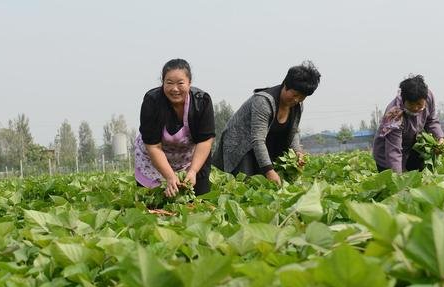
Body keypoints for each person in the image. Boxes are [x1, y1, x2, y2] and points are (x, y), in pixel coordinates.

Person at [212, 61, 321, 186]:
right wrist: (269, 170)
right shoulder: (264, 102)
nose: (297, 100)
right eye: (295, 94)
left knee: (271, 186)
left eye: (302, 97)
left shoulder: (297, 106)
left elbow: (293, 131)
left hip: (265, 147)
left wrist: (298, 152)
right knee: (247, 185)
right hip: (242, 146)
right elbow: (257, 139)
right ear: (286, 85)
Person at [134, 58, 215, 197]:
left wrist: (193, 171)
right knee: (153, 204)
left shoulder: (202, 101)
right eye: (169, 83)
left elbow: (205, 140)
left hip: (190, 159)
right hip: (153, 160)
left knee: (197, 201)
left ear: (189, 83)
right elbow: (153, 146)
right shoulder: (152, 101)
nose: (174, 89)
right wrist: (170, 176)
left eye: (180, 83)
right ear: (162, 83)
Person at [373, 74, 444, 173]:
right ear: (404, 100)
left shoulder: (428, 97)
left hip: (409, 149)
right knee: (394, 184)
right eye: (411, 104)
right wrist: (399, 178)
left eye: (419, 104)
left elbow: (431, 120)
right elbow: (393, 151)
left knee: (417, 178)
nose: (416, 108)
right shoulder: (394, 114)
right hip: (387, 155)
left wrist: (440, 138)